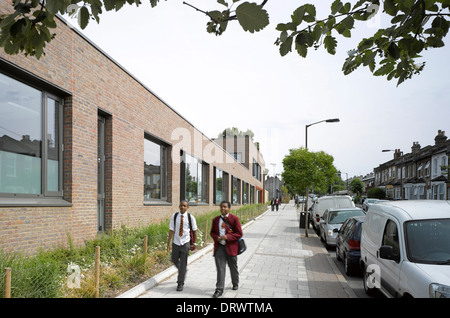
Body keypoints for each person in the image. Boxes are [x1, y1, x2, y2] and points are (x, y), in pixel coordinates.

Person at [210, 200, 243, 298]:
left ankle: (235, 282)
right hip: (219, 248)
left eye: (225, 207)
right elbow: (212, 232)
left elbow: (239, 233)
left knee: (233, 267)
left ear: (229, 208)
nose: (223, 209)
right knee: (220, 269)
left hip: (231, 248)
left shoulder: (234, 219)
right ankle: (219, 289)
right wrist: (217, 238)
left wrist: (227, 237)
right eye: (221, 207)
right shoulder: (215, 220)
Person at [167, 200, 198, 291]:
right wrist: (168, 243)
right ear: (179, 206)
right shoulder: (175, 216)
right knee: (174, 259)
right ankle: (183, 270)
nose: (183, 207)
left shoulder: (190, 217)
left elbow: (195, 230)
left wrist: (194, 243)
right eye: (181, 205)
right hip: (176, 242)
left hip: (185, 242)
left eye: (185, 206)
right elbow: (171, 229)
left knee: (183, 263)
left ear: (187, 207)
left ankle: (180, 283)